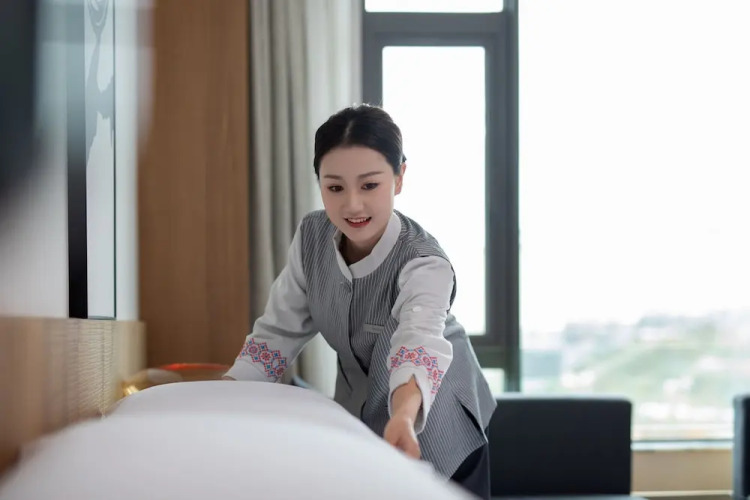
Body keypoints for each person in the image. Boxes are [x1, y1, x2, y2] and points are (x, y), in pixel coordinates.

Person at [224, 104, 496, 499]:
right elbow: (276, 334)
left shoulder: (424, 262)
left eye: (369, 185)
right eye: (335, 188)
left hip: (435, 420)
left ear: (399, 178)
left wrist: (403, 416)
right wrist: (223, 396)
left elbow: (417, 345)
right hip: (362, 416)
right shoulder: (312, 237)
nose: (352, 205)